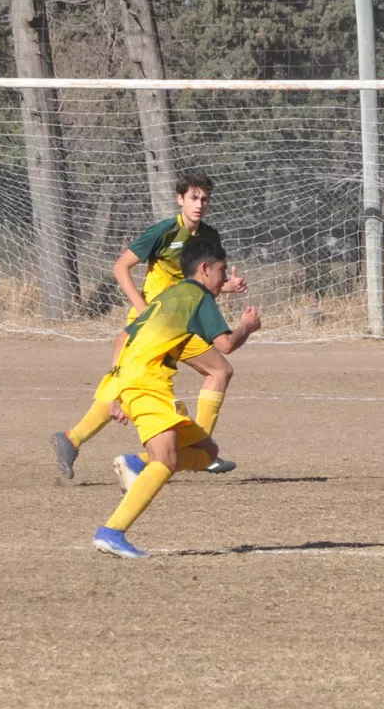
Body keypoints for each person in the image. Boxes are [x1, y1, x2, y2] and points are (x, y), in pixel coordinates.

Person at [51, 173, 246, 481]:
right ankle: (198, 450)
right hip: (155, 324)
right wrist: (142, 308)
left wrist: (227, 285)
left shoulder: (210, 237)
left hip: (179, 323)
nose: (200, 204)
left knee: (216, 371)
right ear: (180, 199)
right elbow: (121, 266)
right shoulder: (164, 232)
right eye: (193, 198)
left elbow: (207, 280)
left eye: (205, 198)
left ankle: (74, 438)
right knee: (147, 381)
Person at [91, 235, 260, 559]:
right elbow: (225, 345)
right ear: (206, 268)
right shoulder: (198, 297)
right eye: (223, 271)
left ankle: (136, 464)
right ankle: (112, 531)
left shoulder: (169, 297)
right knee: (167, 459)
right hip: (147, 384)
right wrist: (247, 327)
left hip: (138, 382)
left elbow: (121, 339)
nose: (224, 278)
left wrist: (117, 393)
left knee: (207, 451)